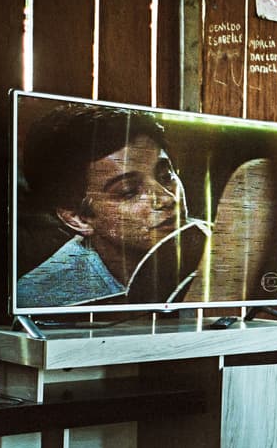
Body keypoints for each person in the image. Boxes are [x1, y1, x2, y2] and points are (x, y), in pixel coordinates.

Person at [16, 106, 206, 308]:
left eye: (165, 176)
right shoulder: (42, 299)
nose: (167, 198)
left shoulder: (221, 244)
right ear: (78, 218)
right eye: (129, 191)